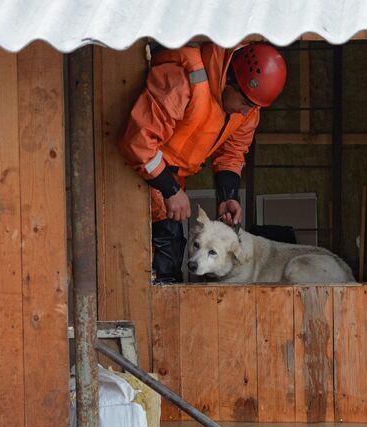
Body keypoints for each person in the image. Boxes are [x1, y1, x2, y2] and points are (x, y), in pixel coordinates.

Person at [119, 41, 287, 283]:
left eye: (252, 107)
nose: (245, 112)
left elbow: (233, 151)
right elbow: (138, 140)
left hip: (169, 176)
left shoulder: (248, 107)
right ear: (231, 81)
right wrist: (170, 189)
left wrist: (228, 195)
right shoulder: (186, 78)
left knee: (173, 248)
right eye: (245, 104)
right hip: (135, 172)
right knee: (155, 251)